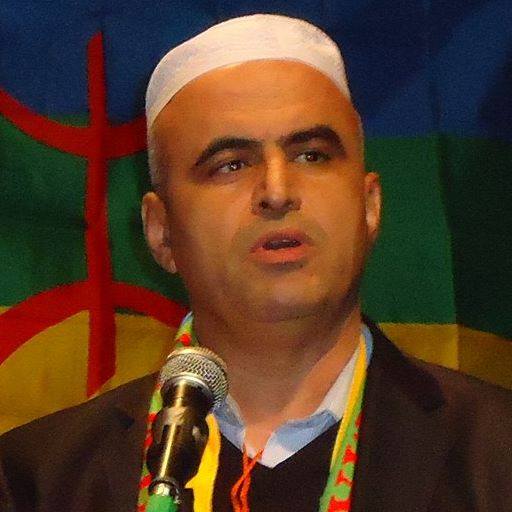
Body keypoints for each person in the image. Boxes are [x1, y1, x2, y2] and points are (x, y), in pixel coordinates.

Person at [1, 14, 511, 512]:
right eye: (231, 165)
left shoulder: (496, 454)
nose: (277, 191)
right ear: (161, 232)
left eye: (311, 155)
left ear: (369, 206)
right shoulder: (37, 481)